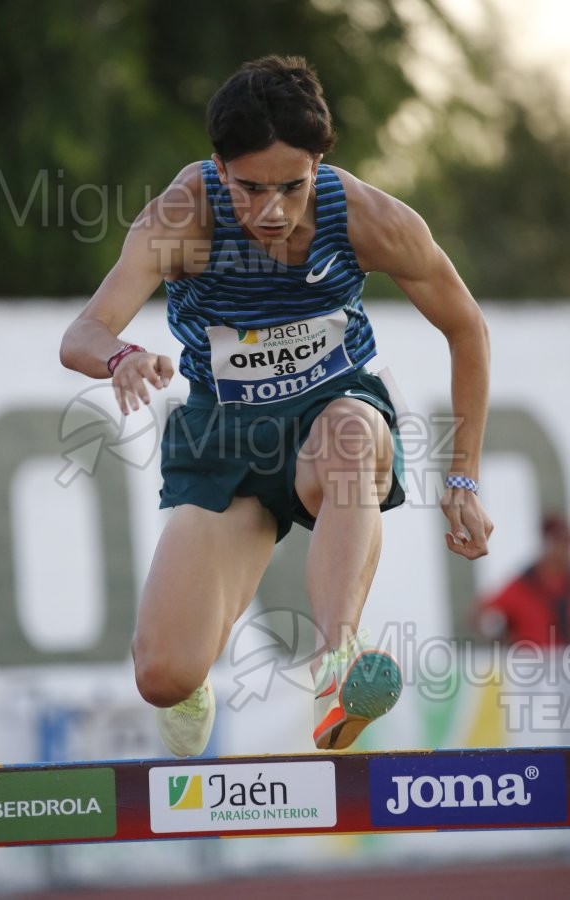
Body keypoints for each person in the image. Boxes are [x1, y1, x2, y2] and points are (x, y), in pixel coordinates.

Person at [60, 55, 493, 758]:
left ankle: (337, 666)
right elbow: (83, 331)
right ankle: (191, 678)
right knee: (163, 674)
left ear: (319, 164)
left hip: (331, 415)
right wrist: (122, 357)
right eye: (249, 189)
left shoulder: (367, 217)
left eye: (291, 188)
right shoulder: (184, 213)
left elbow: (465, 327)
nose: (271, 211)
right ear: (217, 167)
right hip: (227, 439)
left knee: (352, 432)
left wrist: (463, 479)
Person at [479, 514, 570, 646]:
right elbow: (483, 614)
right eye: (559, 542)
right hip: (532, 662)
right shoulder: (522, 585)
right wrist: (497, 628)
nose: (563, 550)